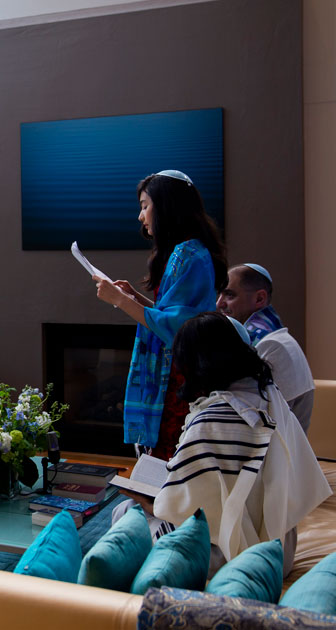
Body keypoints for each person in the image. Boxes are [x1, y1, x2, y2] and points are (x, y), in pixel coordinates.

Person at [130, 312, 331, 578]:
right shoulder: (269, 395)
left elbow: (183, 514)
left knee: (127, 515)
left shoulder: (214, 420)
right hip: (280, 547)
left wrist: (150, 504)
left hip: (236, 554)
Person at [94, 170, 227, 460]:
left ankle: (162, 505)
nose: (141, 216)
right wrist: (134, 298)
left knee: (169, 453)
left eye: (144, 206)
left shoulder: (186, 254)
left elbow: (176, 326)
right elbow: (171, 314)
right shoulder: (192, 250)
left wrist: (119, 300)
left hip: (179, 374)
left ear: (167, 206)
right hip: (188, 367)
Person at [217, 263, 314, 432]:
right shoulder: (271, 338)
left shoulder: (273, 346)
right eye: (219, 294)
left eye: (229, 295)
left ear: (259, 299)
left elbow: (256, 419)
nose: (219, 303)